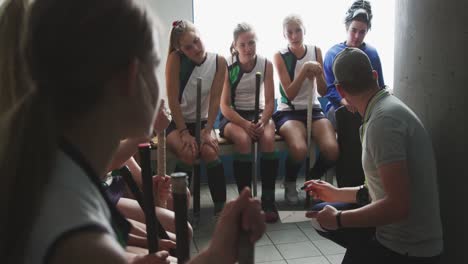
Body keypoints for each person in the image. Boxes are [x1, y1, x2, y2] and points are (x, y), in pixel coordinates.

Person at [0, 0, 266, 263]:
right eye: (153, 64)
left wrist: (214, 254)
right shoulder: (80, 240)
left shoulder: (56, 165)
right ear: (131, 77)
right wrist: (219, 255)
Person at [304, 48, 443, 264]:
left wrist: (339, 219)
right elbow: (378, 190)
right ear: (375, 76)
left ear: (340, 90)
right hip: (394, 237)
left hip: (408, 250)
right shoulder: (383, 110)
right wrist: (336, 193)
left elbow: (398, 206)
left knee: (328, 219)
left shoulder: (383, 122)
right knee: (320, 213)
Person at [272, 14, 339, 205]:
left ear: (304, 30)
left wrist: (318, 74)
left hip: (314, 108)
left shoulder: (316, 50)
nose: (294, 35)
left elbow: (324, 90)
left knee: (332, 150)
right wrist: (304, 71)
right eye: (290, 32)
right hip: (288, 111)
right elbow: (290, 93)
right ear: (284, 35)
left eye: (298, 30)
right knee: (299, 149)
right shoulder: (279, 55)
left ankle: (312, 181)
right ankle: (290, 182)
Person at [165, 19, 227, 216]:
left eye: (197, 41)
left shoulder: (219, 61)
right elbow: (173, 100)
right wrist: (183, 132)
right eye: (188, 47)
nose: (195, 48)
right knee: (188, 152)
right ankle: (179, 212)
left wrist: (208, 130)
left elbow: (215, 99)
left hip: (203, 122)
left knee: (210, 152)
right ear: (179, 49)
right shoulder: (175, 59)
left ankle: (222, 209)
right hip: (177, 122)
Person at [219, 22, 278, 222]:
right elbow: (224, 106)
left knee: (268, 138)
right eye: (242, 44)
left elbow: (270, 101)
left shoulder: (266, 64)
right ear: (235, 46)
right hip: (234, 116)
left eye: (251, 43)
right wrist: (245, 124)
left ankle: (268, 201)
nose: (248, 48)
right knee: (243, 140)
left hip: (259, 113)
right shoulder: (228, 66)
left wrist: (262, 120)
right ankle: (246, 202)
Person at [323, 0, 385, 126]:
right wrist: (343, 101)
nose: (357, 36)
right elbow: (328, 88)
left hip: (367, 108)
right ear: (347, 27)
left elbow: (380, 86)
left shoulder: (372, 54)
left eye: (362, 32)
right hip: (339, 108)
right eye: (353, 30)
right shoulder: (332, 54)